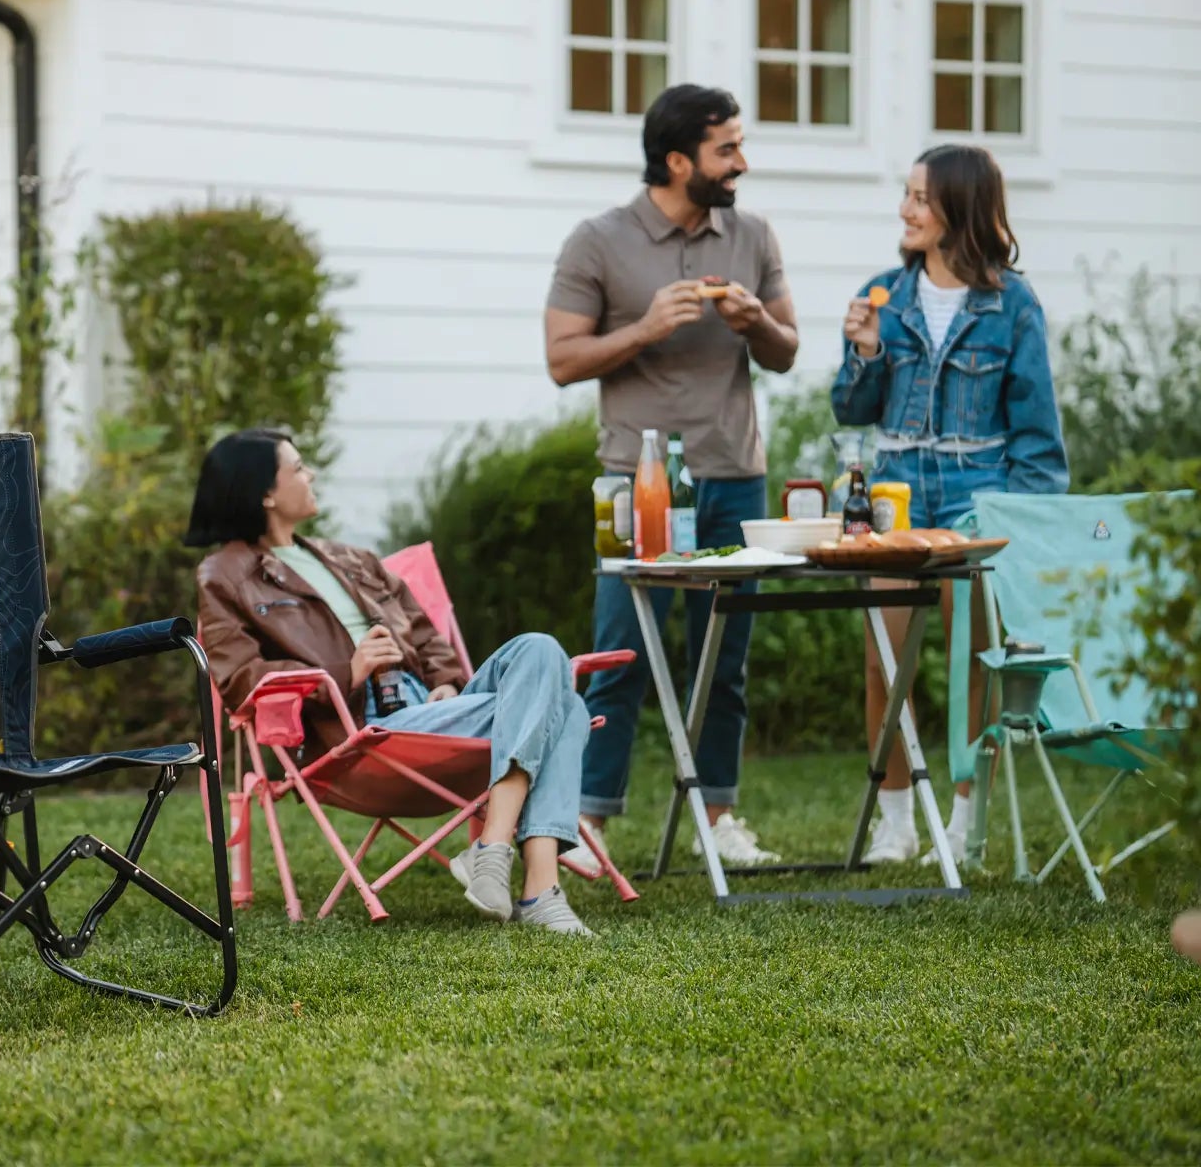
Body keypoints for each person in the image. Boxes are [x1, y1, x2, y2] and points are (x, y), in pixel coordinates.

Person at [187, 430, 596, 936]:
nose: (310, 475)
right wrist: (347, 672)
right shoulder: (225, 576)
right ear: (265, 493)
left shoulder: (351, 560)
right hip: (362, 731)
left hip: (431, 709)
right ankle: (536, 889)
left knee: (539, 648)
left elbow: (425, 635)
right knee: (567, 707)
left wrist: (448, 680)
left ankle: (495, 848)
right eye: (297, 468)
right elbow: (238, 678)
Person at [543, 84, 799, 868]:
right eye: (727, 149)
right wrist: (646, 327)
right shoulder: (599, 240)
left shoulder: (751, 235)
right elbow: (561, 360)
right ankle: (588, 826)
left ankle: (718, 817)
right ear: (679, 158)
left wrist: (758, 323)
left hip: (731, 475)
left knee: (726, 661)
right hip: (632, 482)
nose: (742, 163)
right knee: (620, 655)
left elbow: (788, 349)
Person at [834, 144, 1067, 865]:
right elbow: (851, 407)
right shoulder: (883, 295)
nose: (904, 210)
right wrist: (867, 354)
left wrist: (1023, 523)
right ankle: (899, 822)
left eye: (919, 198)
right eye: (906, 196)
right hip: (896, 497)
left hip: (979, 496)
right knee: (885, 658)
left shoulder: (1013, 304)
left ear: (958, 210)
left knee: (976, 665)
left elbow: (1037, 431)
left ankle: (966, 821)